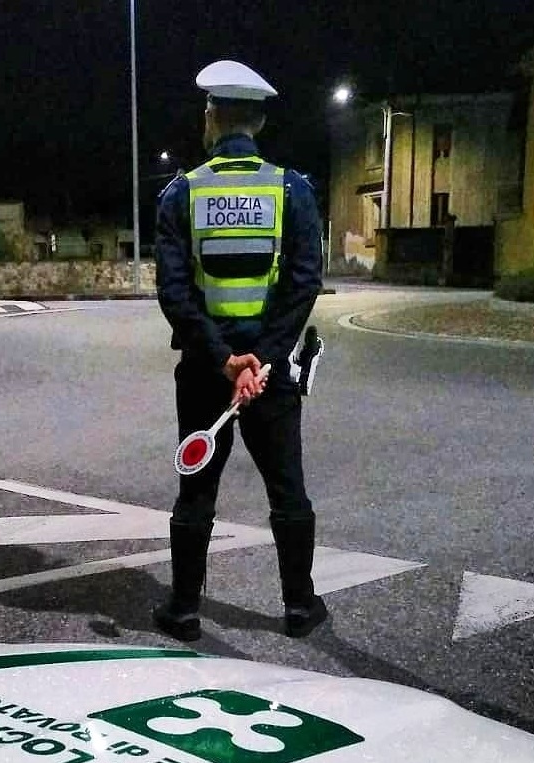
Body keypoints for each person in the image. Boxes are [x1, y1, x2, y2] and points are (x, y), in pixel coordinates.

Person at [153, 59, 326, 642]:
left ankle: (182, 610)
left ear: (212, 117)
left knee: (196, 488)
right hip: (270, 373)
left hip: (205, 372)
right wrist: (262, 360)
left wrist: (223, 359)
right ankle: (300, 608)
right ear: (257, 121)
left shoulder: (183, 192)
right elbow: (303, 283)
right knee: (287, 488)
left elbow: (174, 292)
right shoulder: (291, 190)